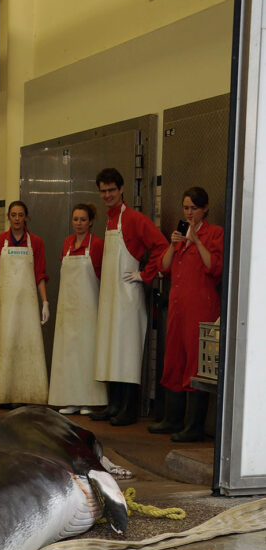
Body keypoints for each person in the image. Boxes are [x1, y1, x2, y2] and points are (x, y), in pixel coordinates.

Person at [90, 168, 169, 426]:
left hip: (127, 297)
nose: (107, 195)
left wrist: (145, 274)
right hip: (110, 296)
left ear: (121, 189)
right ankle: (114, 404)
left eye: (111, 190)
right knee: (110, 348)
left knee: (127, 351)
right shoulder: (109, 220)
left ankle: (128, 408)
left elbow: (161, 246)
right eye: (103, 191)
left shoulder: (134, 219)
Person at [149, 187, 223, 442]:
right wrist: (173, 244)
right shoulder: (180, 234)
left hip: (200, 306)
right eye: (186, 208)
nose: (189, 213)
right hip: (178, 307)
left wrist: (197, 241)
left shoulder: (214, 233)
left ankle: (194, 426)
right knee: (175, 358)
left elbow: (215, 267)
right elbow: (163, 266)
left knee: (195, 361)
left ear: (205, 208)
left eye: (194, 208)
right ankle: (173, 418)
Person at [0, 200, 49, 407]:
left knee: (28, 346)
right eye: (13, 215)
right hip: (4, 306)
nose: (17, 219)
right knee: (5, 345)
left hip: (28, 307)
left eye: (20, 215)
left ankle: (30, 394)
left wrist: (45, 302)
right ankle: (4, 393)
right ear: (9, 217)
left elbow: (40, 274)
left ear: (26, 217)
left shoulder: (36, 242)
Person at [48, 203, 107, 415]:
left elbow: (103, 276)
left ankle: (88, 401)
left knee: (87, 353)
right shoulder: (67, 243)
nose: (79, 223)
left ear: (91, 222)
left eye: (83, 220)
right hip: (67, 309)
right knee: (68, 354)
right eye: (75, 219)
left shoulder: (98, 244)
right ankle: (70, 399)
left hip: (89, 309)